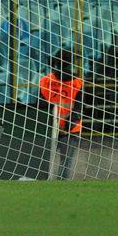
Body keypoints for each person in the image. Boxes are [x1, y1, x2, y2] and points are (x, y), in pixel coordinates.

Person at [39, 50, 83, 180]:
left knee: (42, 161)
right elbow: (78, 110)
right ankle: (62, 188)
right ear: (71, 63)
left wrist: (54, 125)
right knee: (65, 163)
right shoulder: (78, 83)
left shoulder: (45, 81)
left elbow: (41, 107)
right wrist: (66, 127)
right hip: (70, 129)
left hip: (50, 127)